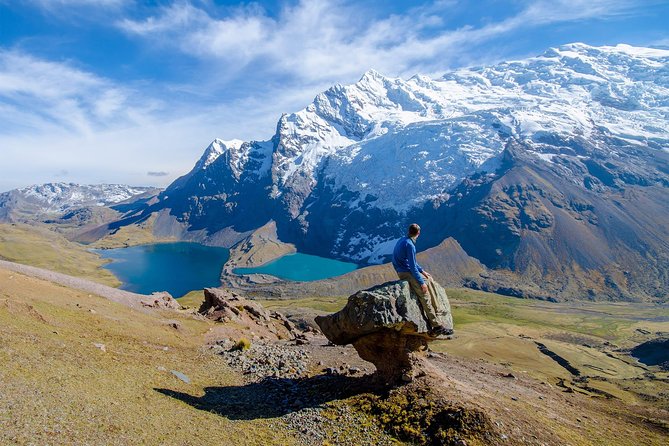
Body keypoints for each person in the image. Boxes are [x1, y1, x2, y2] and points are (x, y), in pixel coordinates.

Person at [392, 223, 453, 336]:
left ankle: (437, 310)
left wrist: (423, 271)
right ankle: (437, 326)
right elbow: (412, 265)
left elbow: (412, 263)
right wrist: (421, 282)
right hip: (406, 272)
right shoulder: (410, 245)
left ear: (409, 231)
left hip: (402, 269)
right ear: (418, 233)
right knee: (424, 295)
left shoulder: (403, 240)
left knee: (428, 279)